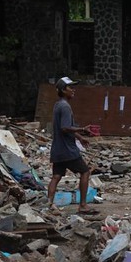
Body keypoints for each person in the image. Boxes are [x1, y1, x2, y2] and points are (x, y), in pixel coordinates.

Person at [47, 76, 98, 215]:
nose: (73, 90)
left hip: (57, 149)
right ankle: (82, 205)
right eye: (70, 88)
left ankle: (49, 204)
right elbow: (65, 128)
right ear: (63, 90)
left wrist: (80, 137)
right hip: (67, 150)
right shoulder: (65, 106)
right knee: (85, 172)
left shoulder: (58, 105)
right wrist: (82, 129)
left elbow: (65, 128)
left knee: (56, 176)